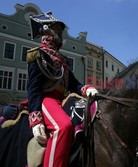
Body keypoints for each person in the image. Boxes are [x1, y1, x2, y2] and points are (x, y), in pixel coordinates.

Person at [27, 12, 98, 167]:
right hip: (47, 98)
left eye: (60, 30)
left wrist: (86, 89)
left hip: (65, 99)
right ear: (46, 31)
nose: (60, 32)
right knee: (63, 127)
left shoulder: (62, 59)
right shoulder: (37, 54)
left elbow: (74, 84)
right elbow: (33, 88)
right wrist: (36, 119)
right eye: (56, 29)